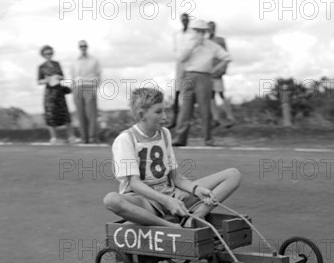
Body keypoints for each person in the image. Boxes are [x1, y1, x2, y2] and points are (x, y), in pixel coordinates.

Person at [103, 87, 241, 230]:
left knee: (233, 174)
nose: (165, 117)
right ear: (141, 115)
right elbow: (135, 184)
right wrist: (167, 201)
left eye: (164, 110)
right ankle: (169, 225)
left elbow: (175, 177)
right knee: (111, 200)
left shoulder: (164, 133)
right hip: (145, 201)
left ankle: (196, 217)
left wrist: (196, 189)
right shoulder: (125, 139)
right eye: (158, 112)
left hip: (172, 194)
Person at [174, 19, 231, 147]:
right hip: (188, 76)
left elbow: (227, 57)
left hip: (204, 77)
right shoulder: (186, 44)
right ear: (192, 31)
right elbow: (181, 58)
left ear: (205, 32)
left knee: (205, 109)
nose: (199, 33)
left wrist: (216, 69)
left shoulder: (212, 46)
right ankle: (179, 138)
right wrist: (193, 46)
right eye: (196, 30)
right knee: (185, 109)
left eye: (202, 31)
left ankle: (208, 139)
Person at [37, 45, 76, 144]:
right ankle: (54, 138)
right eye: (46, 54)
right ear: (43, 55)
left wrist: (58, 76)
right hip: (49, 93)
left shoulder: (57, 64)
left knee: (65, 114)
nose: (48, 55)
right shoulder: (41, 67)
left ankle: (71, 137)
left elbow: (62, 76)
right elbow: (39, 81)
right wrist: (46, 80)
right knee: (51, 114)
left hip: (59, 91)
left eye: (50, 53)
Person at [71, 40, 101, 144]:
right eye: (81, 46)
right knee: (80, 113)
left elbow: (98, 74)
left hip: (89, 86)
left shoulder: (94, 60)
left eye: (84, 46)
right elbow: (72, 76)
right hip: (78, 87)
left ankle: (92, 137)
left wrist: (95, 86)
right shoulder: (75, 61)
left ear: (87, 47)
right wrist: (73, 88)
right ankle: (84, 138)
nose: (83, 47)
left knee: (91, 113)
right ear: (79, 48)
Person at [208, 21, 235, 128]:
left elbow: (226, 55)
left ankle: (230, 117)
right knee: (211, 96)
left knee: (221, 94)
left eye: (213, 27)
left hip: (217, 72)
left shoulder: (220, 40)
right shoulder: (205, 41)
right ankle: (215, 118)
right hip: (208, 73)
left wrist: (223, 69)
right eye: (209, 27)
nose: (211, 29)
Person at [168, 12, 191, 129]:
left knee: (189, 93)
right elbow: (175, 49)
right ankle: (175, 120)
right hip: (180, 63)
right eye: (183, 19)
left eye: (186, 19)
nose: (185, 21)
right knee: (177, 92)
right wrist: (180, 58)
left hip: (191, 64)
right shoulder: (177, 34)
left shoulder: (193, 33)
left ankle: (185, 120)